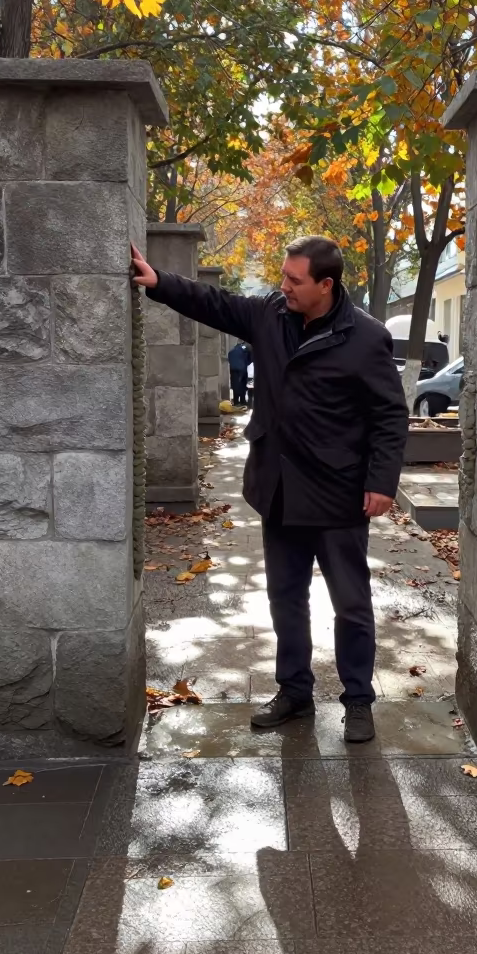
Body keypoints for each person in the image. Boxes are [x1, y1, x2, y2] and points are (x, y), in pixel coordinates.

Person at [131, 235, 408, 743]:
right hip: (278, 487)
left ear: (327, 285)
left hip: (338, 493)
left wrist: (381, 482)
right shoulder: (271, 315)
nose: (283, 287)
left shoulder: (367, 338)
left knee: (350, 603)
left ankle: (358, 700)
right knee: (285, 596)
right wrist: (160, 282)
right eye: (282, 276)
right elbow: (215, 303)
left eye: (294, 280)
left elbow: (389, 416)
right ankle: (295, 692)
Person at [228, 340, 251, 407]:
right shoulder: (245, 350)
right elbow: (249, 360)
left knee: (235, 386)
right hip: (242, 369)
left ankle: (236, 401)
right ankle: (242, 401)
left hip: (233, 370)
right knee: (242, 386)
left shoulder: (231, 351)